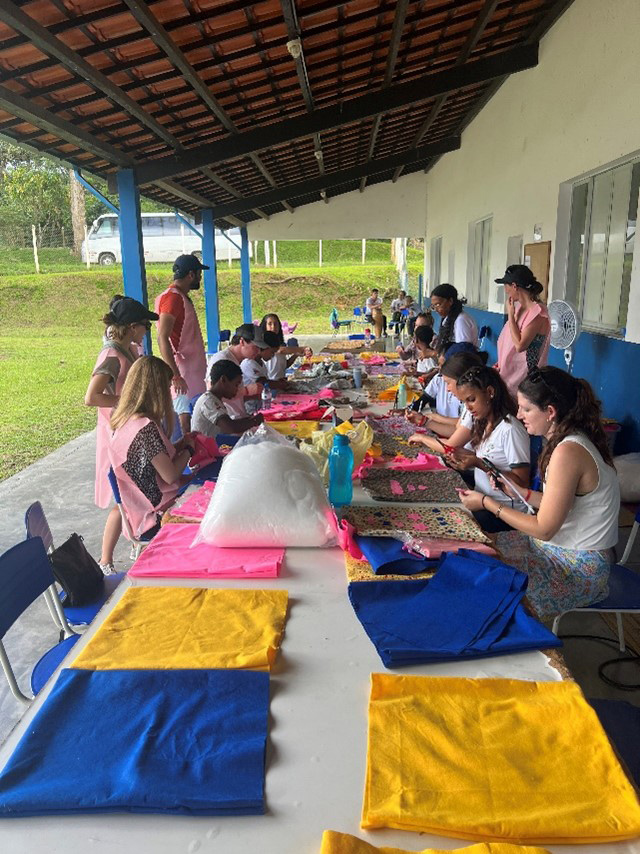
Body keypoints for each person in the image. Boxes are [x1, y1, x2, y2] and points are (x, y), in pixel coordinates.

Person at [460, 367, 620, 617]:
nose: (518, 414)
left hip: (576, 567)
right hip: (557, 550)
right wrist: (521, 493)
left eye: (526, 409)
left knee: (487, 586)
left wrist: (488, 503)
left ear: (550, 412)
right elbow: (559, 504)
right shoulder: (567, 441)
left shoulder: (568, 451)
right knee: (477, 548)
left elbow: (544, 528)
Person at [410, 365, 530, 532]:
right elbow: (488, 459)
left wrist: (478, 463)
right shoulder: (485, 423)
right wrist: (462, 456)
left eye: (471, 399)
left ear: (490, 392)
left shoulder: (510, 430)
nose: (468, 407)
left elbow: (522, 484)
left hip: (504, 514)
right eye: (464, 402)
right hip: (483, 500)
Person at [85, 296, 157, 574]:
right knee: (122, 497)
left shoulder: (129, 350)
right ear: (130, 327)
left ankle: (124, 545)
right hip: (117, 435)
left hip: (128, 429)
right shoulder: (112, 355)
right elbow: (92, 397)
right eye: (143, 326)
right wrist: (124, 402)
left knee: (129, 496)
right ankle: (105, 560)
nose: (146, 331)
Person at [108, 356, 195, 541]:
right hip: (155, 517)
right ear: (156, 390)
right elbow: (170, 475)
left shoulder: (125, 420)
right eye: (166, 387)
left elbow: (156, 458)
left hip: (140, 511)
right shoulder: (145, 427)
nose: (169, 394)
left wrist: (182, 444)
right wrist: (189, 449)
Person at [155, 254, 209, 435]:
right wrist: (176, 375)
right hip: (184, 375)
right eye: (199, 273)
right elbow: (163, 337)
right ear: (191, 275)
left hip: (190, 374)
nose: (200, 278)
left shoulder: (180, 297)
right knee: (184, 426)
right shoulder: (173, 298)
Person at [495, 265, 550, 398]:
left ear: (514, 286)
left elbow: (520, 345)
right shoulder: (519, 308)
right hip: (507, 375)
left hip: (524, 379)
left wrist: (510, 316)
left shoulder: (538, 312)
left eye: (506, 286)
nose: (506, 290)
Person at [207, 323, 269, 417]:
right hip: (227, 422)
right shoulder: (222, 359)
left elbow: (235, 399)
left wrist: (253, 395)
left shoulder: (237, 361)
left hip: (239, 416)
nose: (258, 352)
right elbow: (212, 394)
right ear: (242, 342)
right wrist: (246, 391)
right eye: (255, 347)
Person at [192, 361, 263, 438]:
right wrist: (254, 421)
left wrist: (250, 420)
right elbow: (230, 427)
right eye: (236, 384)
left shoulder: (216, 399)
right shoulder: (208, 401)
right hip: (203, 447)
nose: (237, 389)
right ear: (223, 380)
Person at [426, 283, 478, 358]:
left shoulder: (461, 320)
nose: (436, 310)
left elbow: (463, 350)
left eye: (438, 304)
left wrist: (435, 354)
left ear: (450, 301)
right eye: (433, 306)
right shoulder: (447, 319)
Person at [259, 313, 312, 381]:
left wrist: (296, 355)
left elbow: (284, 366)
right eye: (270, 324)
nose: (273, 327)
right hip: (271, 384)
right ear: (264, 326)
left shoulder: (280, 342)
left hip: (280, 382)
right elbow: (281, 350)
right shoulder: (263, 342)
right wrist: (303, 348)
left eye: (276, 324)